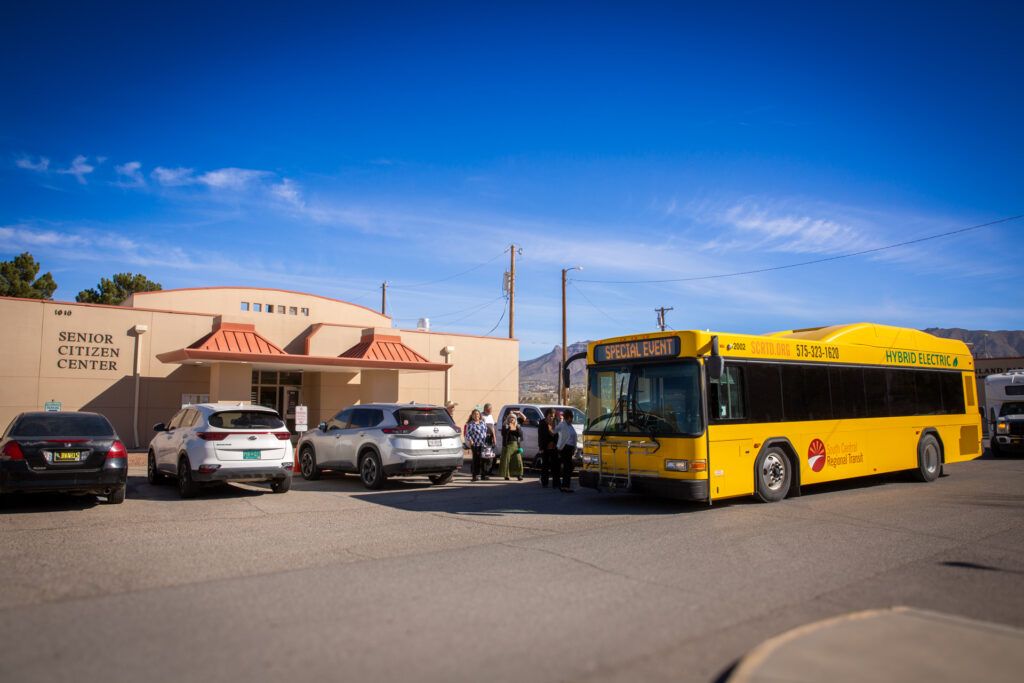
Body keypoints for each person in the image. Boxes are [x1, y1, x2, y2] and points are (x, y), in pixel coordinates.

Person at [553, 410, 578, 492]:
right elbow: (554, 430)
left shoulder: (570, 426)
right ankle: (565, 486)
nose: (571, 419)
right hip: (565, 448)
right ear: (568, 417)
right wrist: (552, 424)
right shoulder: (562, 424)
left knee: (569, 467)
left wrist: (575, 447)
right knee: (568, 467)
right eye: (571, 418)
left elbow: (574, 437)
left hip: (570, 448)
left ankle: (565, 485)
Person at [464, 408, 490, 481]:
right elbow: (467, 434)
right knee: (476, 460)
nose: (476, 416)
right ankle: (475, 475)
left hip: (483, 444)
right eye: (474, 414)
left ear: (480, 415)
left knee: (484, 459)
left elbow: (485, 431)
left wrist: (488, 435)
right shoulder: (470, 424)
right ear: (472, 416)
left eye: (477, 414)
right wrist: (470, 440)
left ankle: (484, 475)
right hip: (475, 444)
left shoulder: (483, 423)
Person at [499, 412, 524, 480]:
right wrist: (508, 428)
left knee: (518, 460)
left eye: (513, 418)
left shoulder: (517, 425)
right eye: (511, 417)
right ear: (508, 419)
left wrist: (518, 428)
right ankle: (506, 475)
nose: (512, 419)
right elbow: (503, 434)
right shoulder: (505, 425)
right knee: (507, 460)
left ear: (515, 419)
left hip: (516, 445)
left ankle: (519, 475)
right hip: (507, 445)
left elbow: (520, 435)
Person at [538, 408, 558, 488]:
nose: (551, 418)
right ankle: (544, 482)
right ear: (546, 415)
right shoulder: (542, 423)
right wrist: (541, 447)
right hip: (545, 446)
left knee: (555, 466)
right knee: (545, 465)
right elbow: (540, 436)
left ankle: (555, 483)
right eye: (550, 416)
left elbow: (557, 434)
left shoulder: (555, 422)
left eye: (553, 416)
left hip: (554, 447)